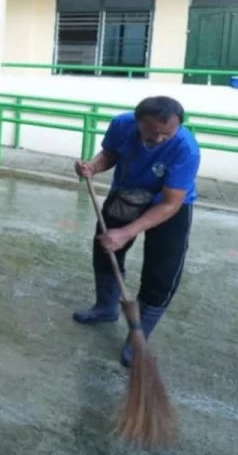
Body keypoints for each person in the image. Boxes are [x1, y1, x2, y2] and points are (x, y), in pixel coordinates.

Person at [73, 96, 201, 366]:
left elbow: (170, 204)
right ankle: (106, 308)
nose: (160, 139)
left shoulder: (186, 149)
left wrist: (127, 232)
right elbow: (110, 154)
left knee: (162, 273)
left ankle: (138, 336)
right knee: (105, 249)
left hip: (169, 207)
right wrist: (93, 166)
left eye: (168, 133)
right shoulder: (122, 124)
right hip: (126, 195)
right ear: (138, 121)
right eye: (153, 131)